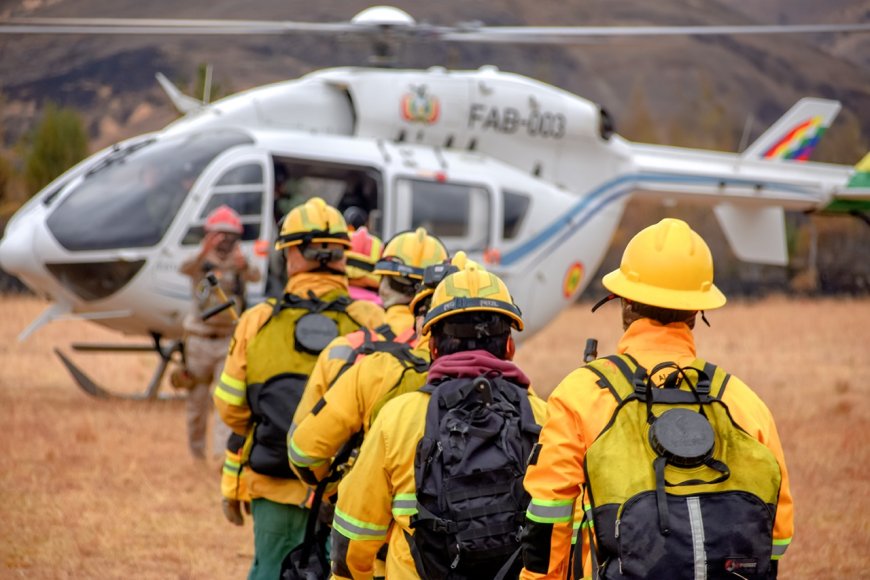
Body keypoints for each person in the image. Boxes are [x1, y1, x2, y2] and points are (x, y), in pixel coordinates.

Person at [520, 218, 793, 579]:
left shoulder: (581, 394)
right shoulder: (745, 403)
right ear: (698, 312)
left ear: (625, 303)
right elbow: (778, 535)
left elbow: (549, 515)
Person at [330, 261, 548, 579]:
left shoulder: (399, 417)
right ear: (509, 346)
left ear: (432, 346)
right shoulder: (542, 417)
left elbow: (354, 535)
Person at [212, 197, 383, 580]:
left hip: (274, 485)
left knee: (272, 570)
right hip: (348, 492)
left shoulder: (256, 321)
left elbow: (230, 410)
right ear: (342, 254)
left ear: (290, 256)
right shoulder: (373, 321)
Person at [287, 228, 449, 468]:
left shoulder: (344, 349)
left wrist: (336, 489)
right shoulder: (453, 352)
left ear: (383, 286)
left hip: (356, 496)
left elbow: (303, 448)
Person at [178, 204, 260, 460]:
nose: (224, 241)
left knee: (225, 400)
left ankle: (221, 456)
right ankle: (197, 454)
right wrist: (204, 251)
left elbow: (256, 276)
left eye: (229, 235)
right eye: (219, 234)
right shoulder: (199, 261)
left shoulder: (238, 262)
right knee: (197, 402)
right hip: (199, 340)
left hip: (226, 340)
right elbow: (184, 267)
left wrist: (243, 266)